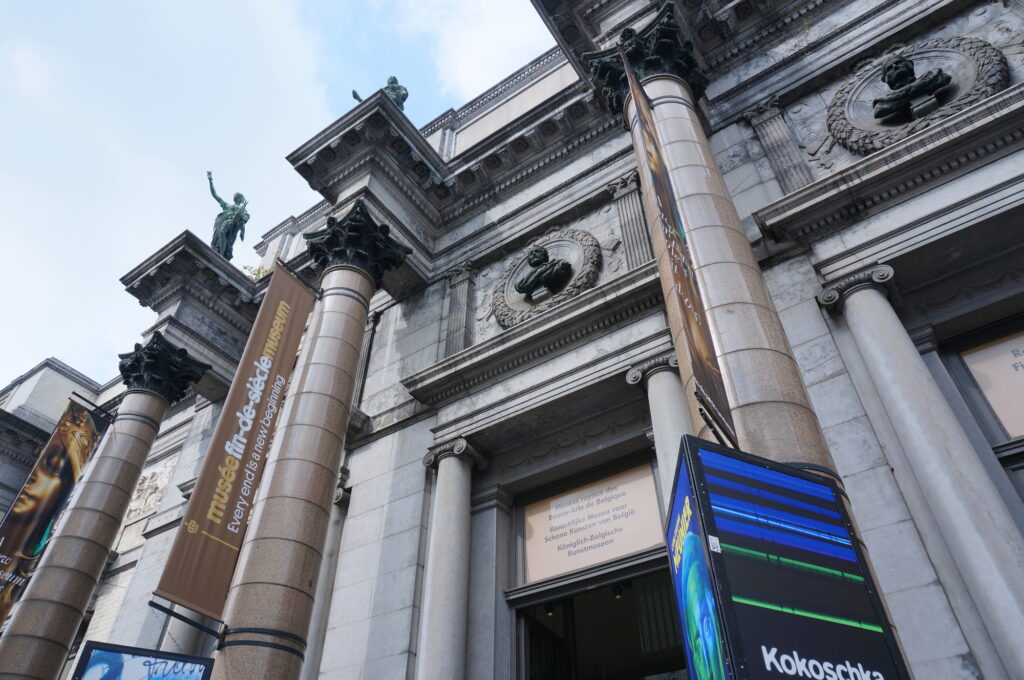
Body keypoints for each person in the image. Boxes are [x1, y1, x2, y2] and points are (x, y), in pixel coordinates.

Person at [872, 55, 951, 120]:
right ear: (886, 78)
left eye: (898, 62)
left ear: (909, 65)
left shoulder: (936, 77)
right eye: (889, 68)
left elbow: (945, 78)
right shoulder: (882, 105)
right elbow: (879, 112)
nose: (895, 67)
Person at [207, 171, 249, 261]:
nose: (242, 199)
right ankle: (220, 253)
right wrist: (210, 181)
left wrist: (240, 217)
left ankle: (221, 255)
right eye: (241, 198)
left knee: (222, 233)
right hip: (223, 223)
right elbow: (215, 195)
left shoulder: (243, 209)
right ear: (239, 199)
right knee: (221, 233)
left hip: (232, 225)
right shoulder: (227, 206)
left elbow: (246, 218)